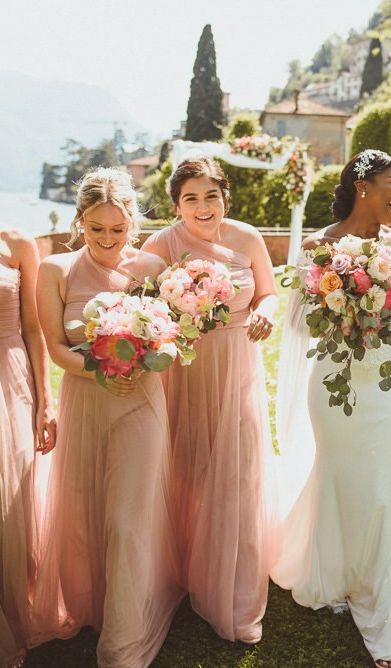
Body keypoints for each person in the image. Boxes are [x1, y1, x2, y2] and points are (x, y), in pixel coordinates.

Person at [271, 150, 391, 667]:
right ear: (364, 185)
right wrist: (344, 314)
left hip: (386, 383)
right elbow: (297, 324)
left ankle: (383, 601)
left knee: (384, 486)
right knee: (339, 477)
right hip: (335, 381)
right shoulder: (319, 245)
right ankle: (335, 573)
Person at [31, 168, 182, 667]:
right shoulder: (55, 269)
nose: (108, 240)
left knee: (127, 517)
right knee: (84, 509)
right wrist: (97, 370)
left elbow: (171, 340)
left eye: (117, 230)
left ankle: (122, 638)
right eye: (97, 229)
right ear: (80, 223)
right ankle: (89, 606)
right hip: (86, 400)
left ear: (132, 222)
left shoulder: (152, 268)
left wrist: (147, 356)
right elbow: (54, 346)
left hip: (140, 401)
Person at [142, 157, 278, 644]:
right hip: (183, 370)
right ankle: (178, 570)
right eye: (190, 198)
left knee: (235, 472)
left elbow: (269, 292)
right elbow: (137, 295)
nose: (202, 207)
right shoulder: (162, 243)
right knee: (184, 467)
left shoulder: (246, 237)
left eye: (211, 196)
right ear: (177, 204)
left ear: (226, 196)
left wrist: (266, 312)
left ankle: (231, 583)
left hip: (236, 367)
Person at [0, 227, 54, 668]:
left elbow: (34, 329)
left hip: (10, 381)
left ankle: (14, 607)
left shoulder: (18, 245)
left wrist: (46, 402)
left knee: (11, 497)